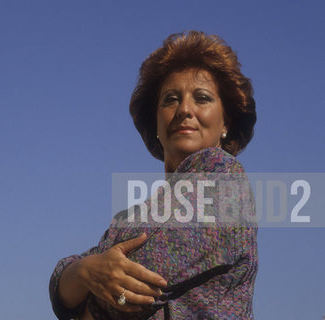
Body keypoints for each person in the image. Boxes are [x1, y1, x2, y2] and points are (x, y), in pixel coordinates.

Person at [49, 31, 258, 319]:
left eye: (202, 98)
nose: (184, 109)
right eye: (171, 99)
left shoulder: (226, 182)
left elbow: (132, 284)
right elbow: (61, 287)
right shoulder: (143, 212)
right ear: (157, 123)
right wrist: (86, 270)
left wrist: (89, 280)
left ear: (226, 121)